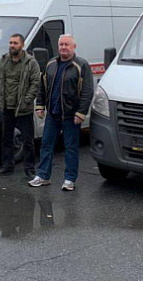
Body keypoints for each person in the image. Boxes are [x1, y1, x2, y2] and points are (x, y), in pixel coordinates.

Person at [29, 35, 94, 191]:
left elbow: (87, 91)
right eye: (61, 44)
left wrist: (81, 113)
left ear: (74, 46)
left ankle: (70, 179)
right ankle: (43, 176)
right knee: (46, 145)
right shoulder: (51, 64)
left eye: (67, 44)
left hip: (71, 115)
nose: (63, 47)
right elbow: (42, 86)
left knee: (71, 148)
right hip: (53, 113)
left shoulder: (81, 65)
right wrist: (40, 105)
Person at [0, 34, 40, 178]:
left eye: (15, 43)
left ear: (22, 45)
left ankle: (29, 169)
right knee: (6, 139)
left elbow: (35, 83)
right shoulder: (4, 60)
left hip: (23, 108)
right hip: (7, 107)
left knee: (28, 140)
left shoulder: (30, 62)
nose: (12, 45)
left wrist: (27, 100)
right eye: (11, 42)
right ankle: (7, 166)